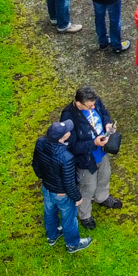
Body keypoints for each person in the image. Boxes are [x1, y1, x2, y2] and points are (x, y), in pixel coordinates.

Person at [59, 85, 120, 229]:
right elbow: (72, 146)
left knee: (105, 175)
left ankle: (102, 197)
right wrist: (93, 142)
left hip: (102, 151)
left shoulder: (94, 101)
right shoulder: (68, 116)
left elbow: (104, 113)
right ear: (79, 103)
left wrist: (107, 124)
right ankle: (85, 215)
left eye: (94, 104)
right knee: (88, 187)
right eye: (89, 106)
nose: (93, 107)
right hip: (85, 159)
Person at [32, 120, 91, 253]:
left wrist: (45, 179)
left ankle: (52, 236)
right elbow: (69, 183)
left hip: (47, 188)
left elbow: (35, 164)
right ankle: (73, 244)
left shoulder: (40, 143)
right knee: (69, 218)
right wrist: (77, 198)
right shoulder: (66, 157)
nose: (69, 132)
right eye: (67, 132)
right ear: (61, 138)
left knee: (49, 212)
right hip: (61, 194)